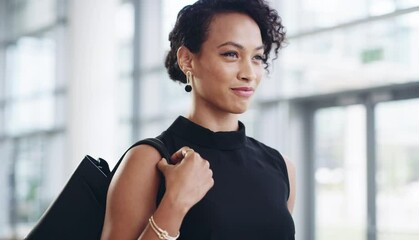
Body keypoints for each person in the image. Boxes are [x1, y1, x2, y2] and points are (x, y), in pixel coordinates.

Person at [101, 0, 295, 239]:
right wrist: (175, 202)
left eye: (257, 57)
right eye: (231, 54)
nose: (248, 74)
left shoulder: (281, 166)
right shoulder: (148, 160)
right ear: (187, 60)